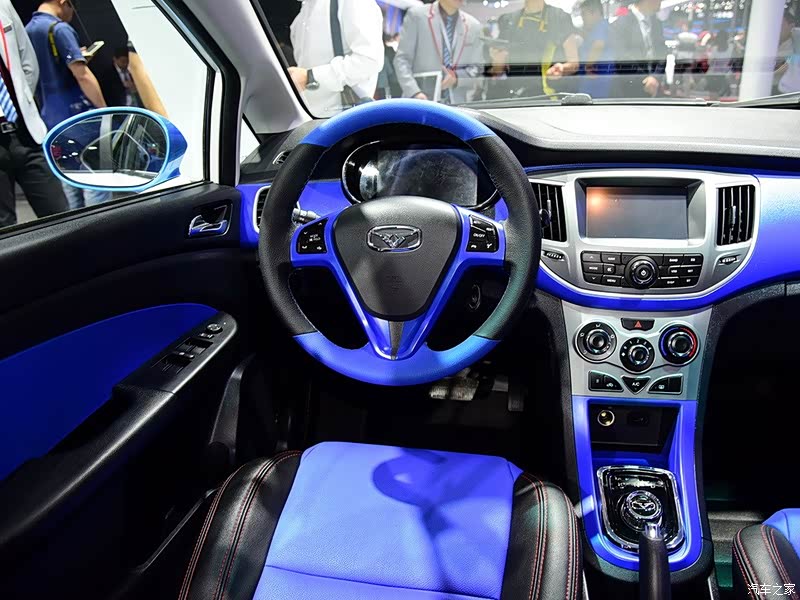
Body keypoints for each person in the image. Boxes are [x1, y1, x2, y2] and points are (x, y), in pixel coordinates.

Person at [26, 0, 110, 210]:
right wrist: (104, 109)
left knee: (69, 181)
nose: (73, 12)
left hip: (48, 118)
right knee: (96, 180)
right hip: (77, 115)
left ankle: (77, 228)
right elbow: (82, 75)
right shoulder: (60, 29)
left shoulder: (27, 30)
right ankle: (100, 226)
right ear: (63, 2)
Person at [0, 0, 68, 229]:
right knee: (4, 232)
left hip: (25, 131)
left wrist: (20, 104)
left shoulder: (3, 5)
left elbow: (27, 61)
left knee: (61, 219)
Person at [289, 0, 384, 116]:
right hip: (310, 116)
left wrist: (310, 77)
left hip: (342, 117)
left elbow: (369, 61)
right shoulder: (303, 13)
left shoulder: (352, 2)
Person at [393, 0, 483, 104]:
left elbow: (477, 68)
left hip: (457, 103)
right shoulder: (417, 16)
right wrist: (414, 92)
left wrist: (458, 78)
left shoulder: (473, 25)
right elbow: (402, 59)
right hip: (420, 100)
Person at [488, 0, 579, 100]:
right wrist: (497, 62)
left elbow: (574, 63)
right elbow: (498, 70)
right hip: (514, 98)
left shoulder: (559, 17)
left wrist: (562, 69)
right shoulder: (508, 20)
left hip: (548, 97)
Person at [609, 0, 666, 98]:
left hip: (654, 88)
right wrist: (645, 79)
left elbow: (662, 53)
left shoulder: (657, 23)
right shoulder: (620, 24)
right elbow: (622, 57)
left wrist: (655, 78)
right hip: (629, 91)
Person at [577, 0, 612, 98]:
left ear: (595, 13)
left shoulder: (601, 27)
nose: (582, 18)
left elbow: (598, 45)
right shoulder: (596, 29)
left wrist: (589, 66)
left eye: (584, 14)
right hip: (593, 82)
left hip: (595, 83)